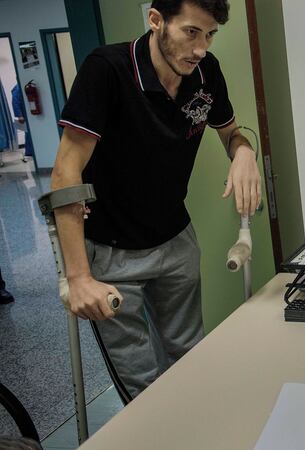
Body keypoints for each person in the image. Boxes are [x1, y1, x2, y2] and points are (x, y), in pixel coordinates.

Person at [49, 0, 261, 399]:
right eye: (191, 32)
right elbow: (65, 172)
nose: (200, 48)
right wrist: (77, 277)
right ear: (156, 20)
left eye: (211, 34)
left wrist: (244, 151)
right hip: (111, 253)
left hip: (174, 239)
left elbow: (232, 134)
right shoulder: (107, 69)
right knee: (143, 383)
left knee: (192, 360)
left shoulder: (205, 73)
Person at [11, 83, 32, 162]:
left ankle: (30, 153)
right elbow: (15, 102)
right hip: (25, 115)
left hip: (29, 114)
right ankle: (29, 153)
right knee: (29, 134)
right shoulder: (17, 89)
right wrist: (19, 115)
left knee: (30, 134)